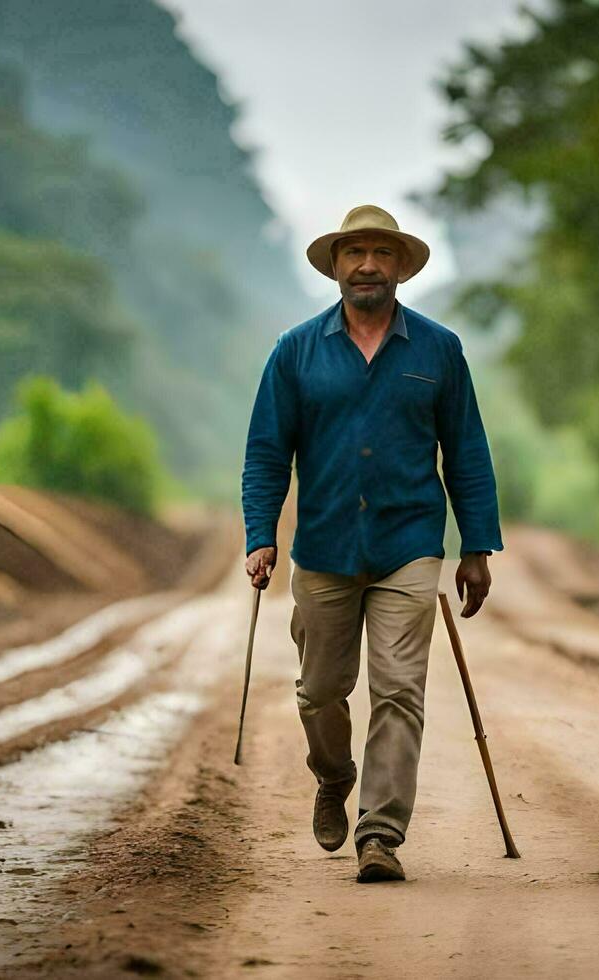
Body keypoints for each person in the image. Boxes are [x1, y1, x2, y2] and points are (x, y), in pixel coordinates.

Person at [240, 203, 504, 884]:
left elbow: (465, 449)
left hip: (409, 542)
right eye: (353, 253)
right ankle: (334, 773)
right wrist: (260, 535)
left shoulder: (439, 350)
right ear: (335, 266)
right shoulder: (295, 350)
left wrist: (477, 545)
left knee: (399, 691)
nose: (366, 265)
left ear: (399, 268)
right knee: (320, 691)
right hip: (323, 546)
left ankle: (380, 834)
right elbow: (268, 451)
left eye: (380, 254)